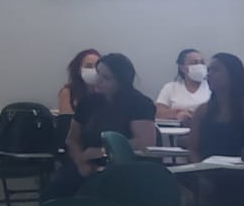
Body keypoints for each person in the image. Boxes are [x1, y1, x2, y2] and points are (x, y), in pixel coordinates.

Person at [45, 51, 157, 198]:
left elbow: (144, 142)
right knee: (55, 190)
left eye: (106, 78)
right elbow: (72, 139)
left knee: (95, 189)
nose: (97, 81)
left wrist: (102, 151)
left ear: (121, 81)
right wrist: (81, 163)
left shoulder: (139, 103)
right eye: (98, 74)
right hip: (86, 163)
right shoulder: (88, 103)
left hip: (124, 166)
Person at [186, 53, 244, 161]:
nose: (209, 74)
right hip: (204, 171)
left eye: (215, 70)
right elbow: (193, 150)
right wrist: (200, 169)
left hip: (243, 173)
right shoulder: (202, 111)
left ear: (233, 73)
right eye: (208, 70)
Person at [155, 48, 211, 122]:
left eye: (202, 62)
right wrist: (177, 114)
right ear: (182, 68)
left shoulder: (212, 86)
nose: (199, 66)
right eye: (194, 63)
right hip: (177, 131)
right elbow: (158, 112)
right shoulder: (170, 87)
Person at [57, 47, 99, 115]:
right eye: (89, 66)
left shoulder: (106, 92)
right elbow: (65, 123)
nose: (94, 70)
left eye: (97, 66)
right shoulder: (68, 93)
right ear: (78, 69)